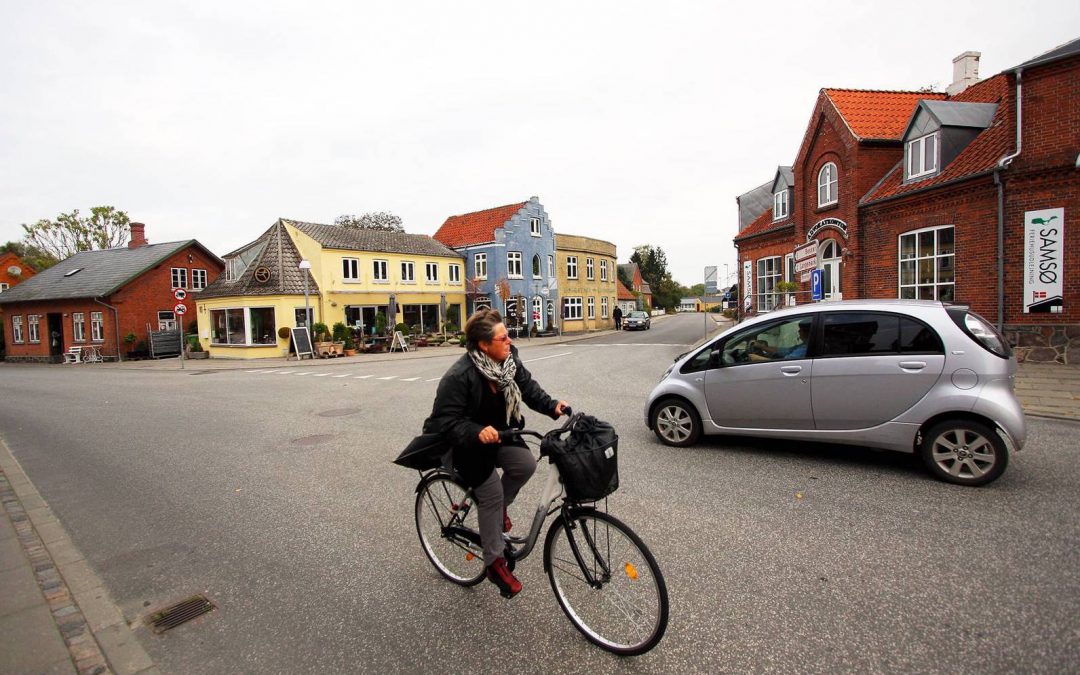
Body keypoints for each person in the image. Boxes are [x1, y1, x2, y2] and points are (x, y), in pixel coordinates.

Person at [423, 309, 568, 597]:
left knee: (525, 464)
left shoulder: (508, 360)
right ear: (483, 345)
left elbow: (527, 388)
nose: (509, 340)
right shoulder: (459, 376)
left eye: (507, 336)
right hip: (465, 444)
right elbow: (444, 422)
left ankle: (497, 510)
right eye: (503, 338)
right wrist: (476, 431)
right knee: (489, 492)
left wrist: (552, 406)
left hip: (501, 433)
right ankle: (494, 562)